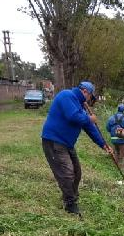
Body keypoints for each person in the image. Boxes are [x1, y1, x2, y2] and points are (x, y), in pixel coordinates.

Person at [40, 81, 114, 216]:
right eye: (91, 97)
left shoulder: (80, 106)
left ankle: (70, 196)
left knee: (77, 172)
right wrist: (89, 118)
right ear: (85, 92)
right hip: (54, 140)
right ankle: (70, 204)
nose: (89, 100)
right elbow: (73, 116)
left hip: (67, 143)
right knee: (67, 173)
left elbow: (89, 128)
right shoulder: (66, 96)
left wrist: (103, 144)